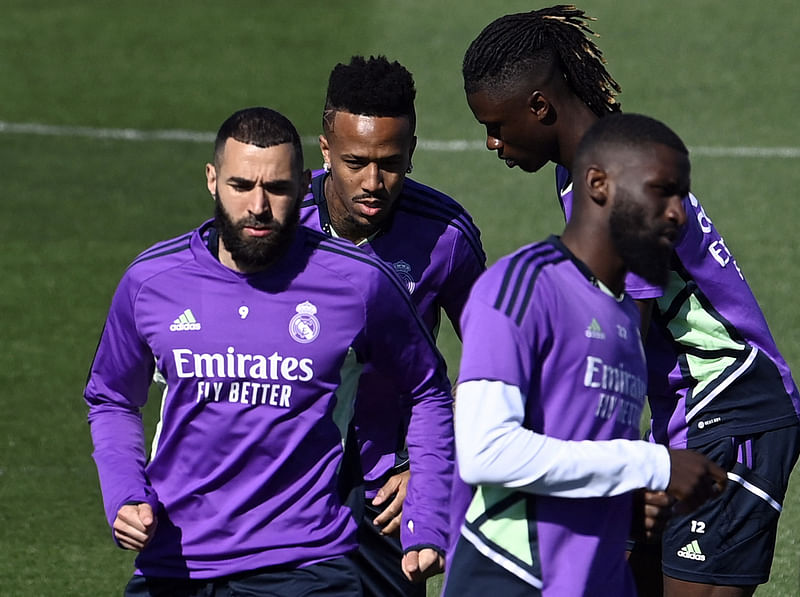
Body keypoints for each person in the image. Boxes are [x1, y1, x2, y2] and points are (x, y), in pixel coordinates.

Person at [461, 6, 800, 597]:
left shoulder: (616, 184)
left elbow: (620, 344)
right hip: (686, 419)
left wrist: (590, 463)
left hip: (731, 415)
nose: (492, 142)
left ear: (539, 107)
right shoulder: (596, 163)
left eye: (496, 124)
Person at [84, 107, 454, 596]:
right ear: (213, 181)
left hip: (306, 569)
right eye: (241, 186)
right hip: (175, 565)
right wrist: (125, 493)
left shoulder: (358, 282)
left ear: (303, 186)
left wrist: (427, 515)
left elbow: (427, 390)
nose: (258, 206)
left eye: (276, 189)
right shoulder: (151, 282)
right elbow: (111, 397)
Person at [444, 112, 727, 596]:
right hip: (510, 578)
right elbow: (485, 451)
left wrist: (626, 503)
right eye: (663, 190)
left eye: (682, 195)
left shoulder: (622, 316)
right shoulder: (524, 286)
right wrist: (653, 465)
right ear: (599, 184)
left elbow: (579, 456)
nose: (679, 213)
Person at [300, 55, 486, 596]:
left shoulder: (445, 234)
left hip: (388, 493)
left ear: (413, 148)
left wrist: (430, 474)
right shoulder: (279, 223)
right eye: (355, 162)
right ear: (326, 148)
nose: (374, 183)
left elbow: (493, 362)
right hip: (288, 482)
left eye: (392, 162)